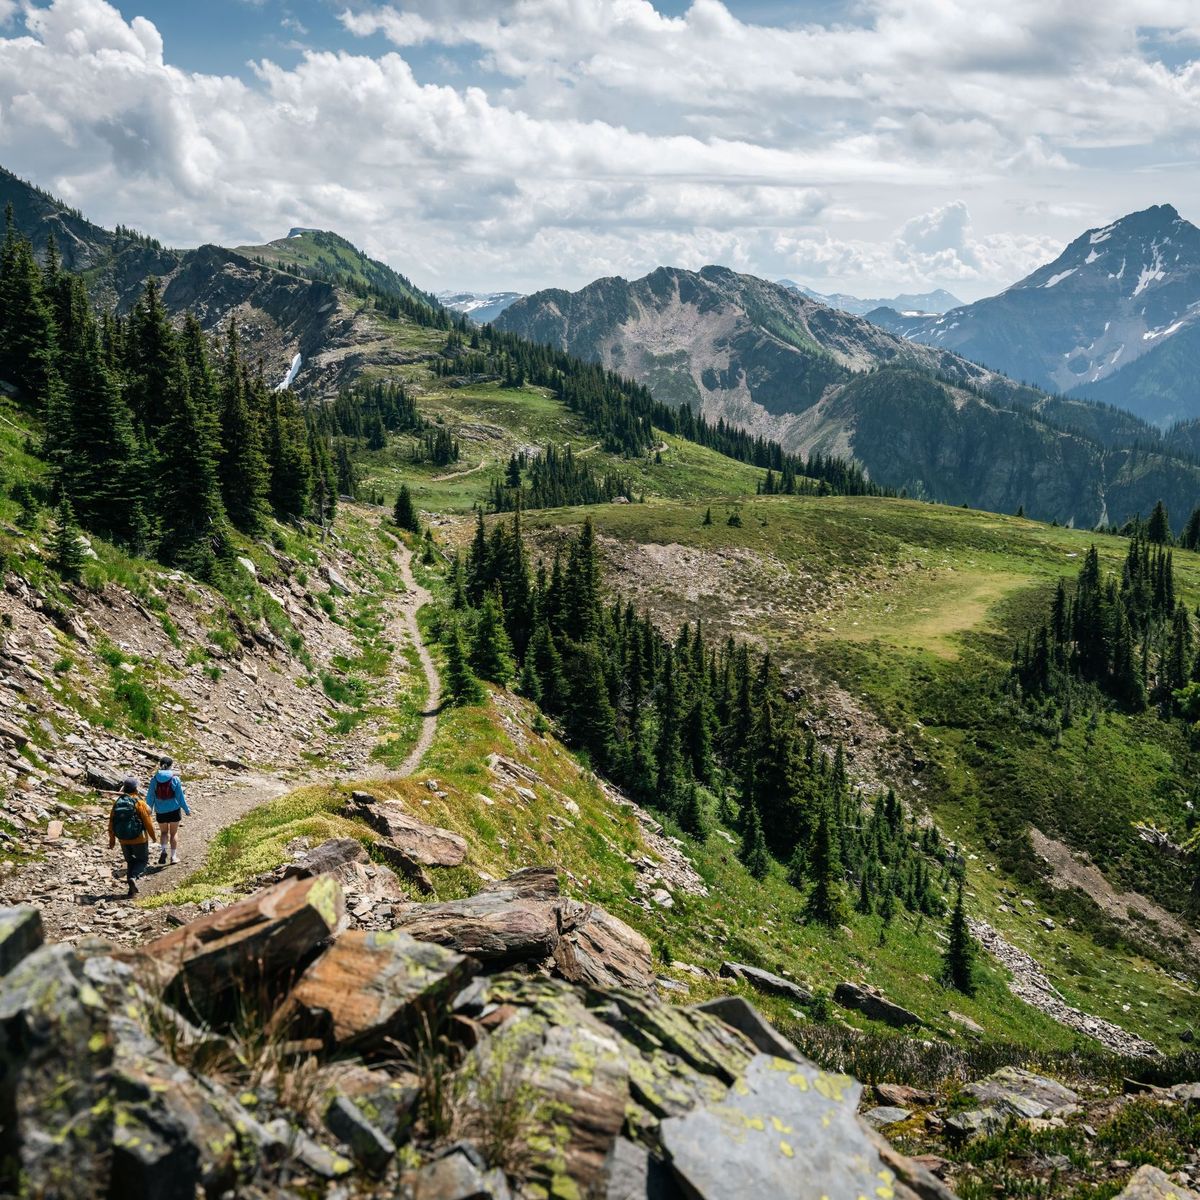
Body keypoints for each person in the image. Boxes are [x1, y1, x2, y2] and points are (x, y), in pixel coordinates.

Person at [107, 776, 156, 897]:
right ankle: (133, 877)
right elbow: (147, 822)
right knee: (142, 860)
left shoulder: (118, 802)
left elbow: (111, 822)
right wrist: (153, 836)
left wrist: (112, 839)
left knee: (130, 862)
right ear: (136, 789)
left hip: (123, 839)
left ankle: (131, 891)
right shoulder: (139, 803)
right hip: (139, 838)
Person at [146, 756, 190, 865]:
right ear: (171, 766)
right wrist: (186, 809)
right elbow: (180, 797)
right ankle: (173, 857)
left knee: (164, 832)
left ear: (160, 765)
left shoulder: (154, 779)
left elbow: (150, 796)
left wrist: (149, 810)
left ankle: (163, 851)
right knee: (173, 833)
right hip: (174, 810)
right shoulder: (175, 778)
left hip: (160, 811)